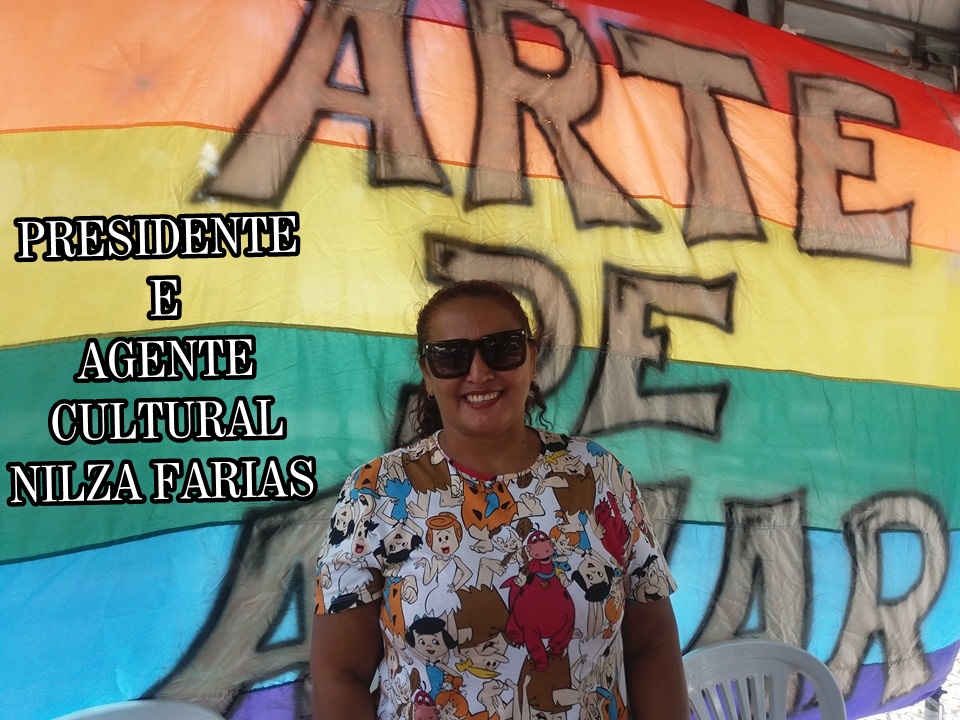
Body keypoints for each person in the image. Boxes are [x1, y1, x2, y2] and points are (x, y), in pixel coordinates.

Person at [312, 280, 688, 719]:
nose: (479, 373)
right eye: (451, 356)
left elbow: (652, 645)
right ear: (427, 375)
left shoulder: (598, 474)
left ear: (531, 357)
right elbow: (340, 675)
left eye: (502, 349)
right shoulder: (374, 492)